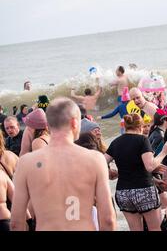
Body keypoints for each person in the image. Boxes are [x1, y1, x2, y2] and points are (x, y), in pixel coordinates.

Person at [10, 97, 116, 231]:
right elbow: (107, 218)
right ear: (74, 123)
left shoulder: (26, 163)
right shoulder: (95, 159)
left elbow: (16, 222)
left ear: (48, 125)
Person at [105, 113, 167, 231]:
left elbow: (102, 162)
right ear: (140, 126)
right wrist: (164, 153)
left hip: (123, 193)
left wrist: (113, 172)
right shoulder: (142, 140)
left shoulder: (115, 142)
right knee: (155, 229)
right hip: (144, 190)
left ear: (125, 126)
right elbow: (150, 166)